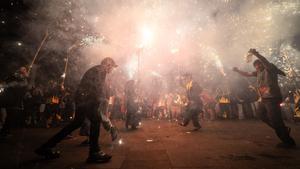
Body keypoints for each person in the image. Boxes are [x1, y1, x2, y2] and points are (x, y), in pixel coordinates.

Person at [35, 57, 118, 163]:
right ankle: (94, 152)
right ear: (108, 64)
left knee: (76, 123)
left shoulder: (96, 69)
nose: (112, 70)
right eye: (112, 67)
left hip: (82, 100)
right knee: (96, 120)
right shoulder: (101, 70)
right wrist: (100, 101)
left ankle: (46, 147)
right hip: (87, 100)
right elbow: (97, 88)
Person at [232, 48, 296, 148]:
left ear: (262, 64)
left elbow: (265, 62)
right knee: (260, 114)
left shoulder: (269, 69)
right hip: (265, 99)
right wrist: (237, 70)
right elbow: (247, 74)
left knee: (276, 120)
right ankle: (282, 129)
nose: (257, 67)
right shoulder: (258, 73)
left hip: (273, 98)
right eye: (255, 65)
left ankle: (288, 141)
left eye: (258, 64)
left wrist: (256, 54)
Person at [0, 66, 29, 138]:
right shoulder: (15, 77)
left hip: (13, 100)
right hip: (10, 100)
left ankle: (5, 131)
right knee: (8, 117)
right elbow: (17, 83)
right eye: (23, 69)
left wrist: (25, 77)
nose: (24, 70)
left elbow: (24, 84)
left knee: (9, 117)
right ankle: (4, 132)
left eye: (25, 69)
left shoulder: (20, 78)